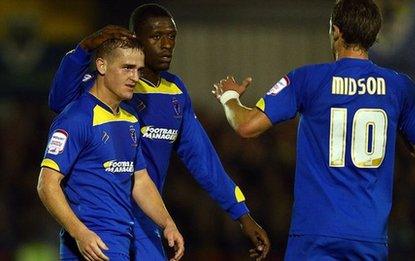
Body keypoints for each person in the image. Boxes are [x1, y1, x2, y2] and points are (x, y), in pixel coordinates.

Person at [212, 0, 415, 259]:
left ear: (336, 31)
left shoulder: (307, 79)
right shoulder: (400, 87)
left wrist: (229, 97)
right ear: (374, 36)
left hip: (315, 234)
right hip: (369, 236)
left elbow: (246, 126)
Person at [48, 3, 270, 261]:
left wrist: (242, 215)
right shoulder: (112, 87)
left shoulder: (175, 93)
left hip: (147, 218)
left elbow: (203, 159)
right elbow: (59, 102)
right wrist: (84, 49)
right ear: (135, 40)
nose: (166, 44)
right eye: (156, 36)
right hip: (99, 219)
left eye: (171, 36)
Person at [37, 37, 184, 261]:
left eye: (138, 69)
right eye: (127, 68)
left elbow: (141, 181)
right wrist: (80, 233)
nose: (135, 77)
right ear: (101, 65)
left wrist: (167, 223)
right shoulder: (76, 119)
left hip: (120, 242)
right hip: (95, 244)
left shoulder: (131, 119)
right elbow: (47, 184)